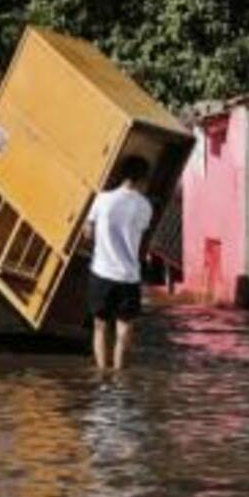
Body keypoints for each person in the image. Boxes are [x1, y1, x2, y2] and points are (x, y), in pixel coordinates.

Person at [84, 155, 153, 370]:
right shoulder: (145, 206)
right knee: (124, 328)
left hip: (102, 272)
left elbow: (87, 233)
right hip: (129, 276)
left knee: (100, 327)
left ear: (122, 174)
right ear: (142, 178)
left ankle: (102, 375)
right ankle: (119, 376)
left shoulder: (102, 199)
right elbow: (140, 235)